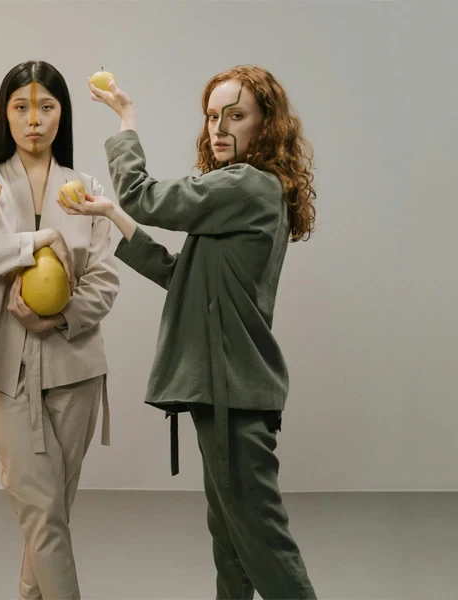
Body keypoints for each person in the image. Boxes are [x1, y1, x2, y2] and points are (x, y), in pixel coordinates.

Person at [60, 65, 318, 599]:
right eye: (211, 116)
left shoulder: (246, 184)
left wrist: (125, 119)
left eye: (235, 115)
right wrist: (111, 216)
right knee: (233, 544)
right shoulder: (238, 196)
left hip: (232, 393)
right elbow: (180, 276)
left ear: (265, 126)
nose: (218, 127)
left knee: (262, 544)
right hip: (227, 393)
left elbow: (142, 194)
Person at [0, 60, 119, 600]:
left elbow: (105, 279)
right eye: (21, 107)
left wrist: (59, 316)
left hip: (76, 369)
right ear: (5, 114)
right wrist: (35, 242)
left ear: (62, 114)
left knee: (49, 516)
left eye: (46, 107)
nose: (34, 120)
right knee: (41, 510)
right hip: (5, 369)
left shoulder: (86, 188)